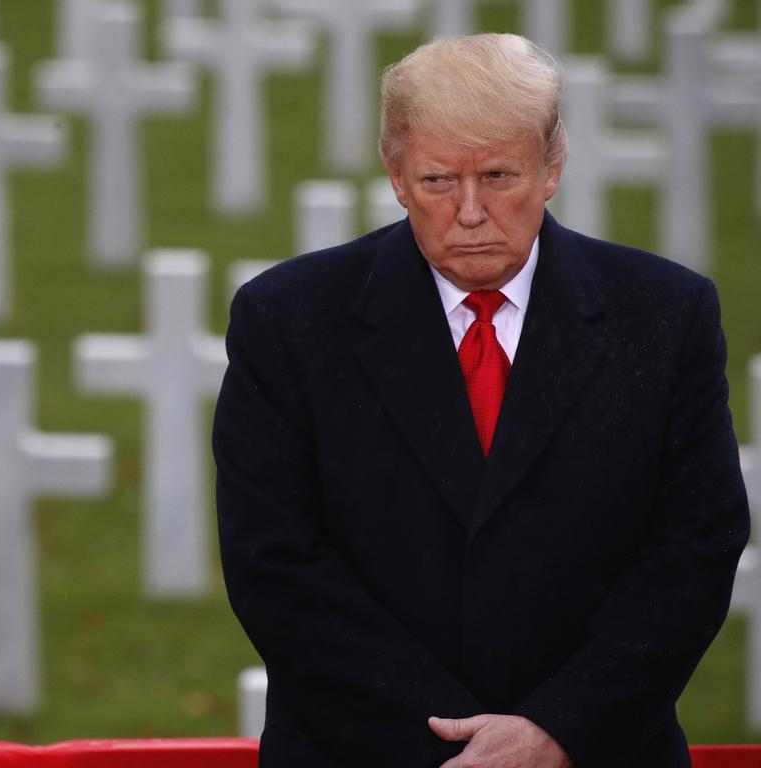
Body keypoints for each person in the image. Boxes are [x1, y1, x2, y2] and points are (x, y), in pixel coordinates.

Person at [212, 33, 750, 768]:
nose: (470, 212)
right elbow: (273, 561)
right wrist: (452, 751)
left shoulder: (664, 316)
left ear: (553, 166)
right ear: (395, 175)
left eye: (499, 175)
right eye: (438, 181)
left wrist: (556, 729)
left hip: (597, 749)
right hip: (358, 751)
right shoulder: (288, 321)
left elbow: (695, 547)